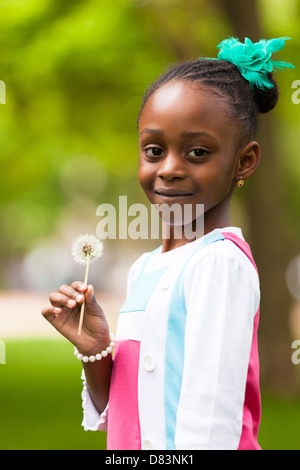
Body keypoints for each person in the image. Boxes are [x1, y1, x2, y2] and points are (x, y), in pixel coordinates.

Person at [42, 37, 294, 450]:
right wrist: (97, 353)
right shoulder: (146, 267)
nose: (170, 169)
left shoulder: (219, 264)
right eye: (154, 150)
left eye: (197, 152)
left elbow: (210, 418)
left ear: (244, 160)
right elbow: (128, 411)